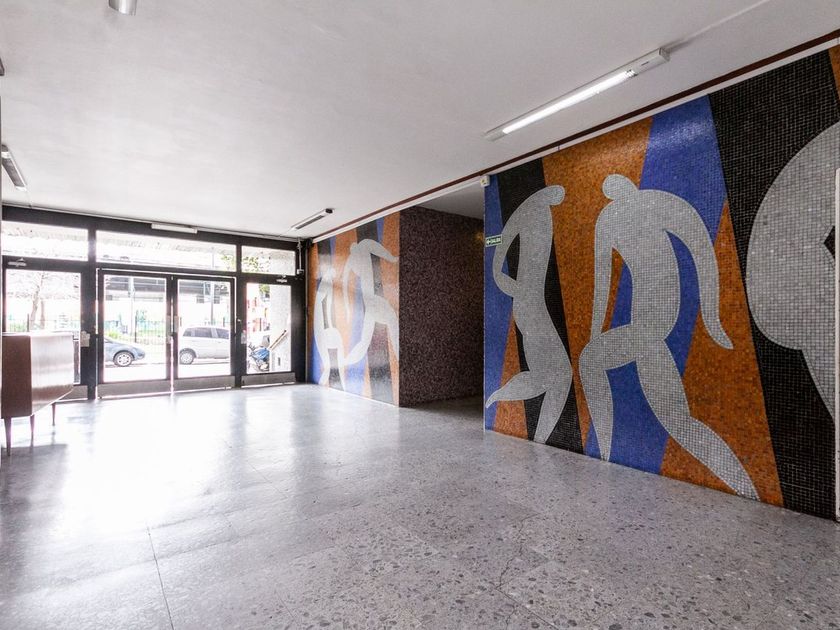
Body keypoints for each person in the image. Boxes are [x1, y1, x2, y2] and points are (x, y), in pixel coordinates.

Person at [579, 174, 757, 499]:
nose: (616, 190)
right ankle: (602, 453)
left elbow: (701, 249)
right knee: (676, 418)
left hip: (656, 318)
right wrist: (592, 332)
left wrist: (712, 316)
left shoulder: (655, 203)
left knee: (592, 362)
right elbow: (601, 282)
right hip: (646, 322)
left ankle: (602, 453)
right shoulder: (610, 219)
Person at [484, 186, 572, 444]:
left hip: (534, 303)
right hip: (529, 306)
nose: (559, 195)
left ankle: (536, 433)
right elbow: (496, 269)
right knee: (560, 374)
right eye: (556, 190)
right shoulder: (523, 214)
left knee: (551, 376)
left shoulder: (542, 211)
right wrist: (519, 291)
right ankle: (499, 398)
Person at [342, 239, 399, 365]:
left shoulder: (353, 257)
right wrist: (392, 259)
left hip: (370, 305)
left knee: (364, 341)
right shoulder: (363, 246)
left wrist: (347, 309)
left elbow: (344, 284)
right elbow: (377, 248)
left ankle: (345, 361)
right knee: (392, 321)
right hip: (372, 302)